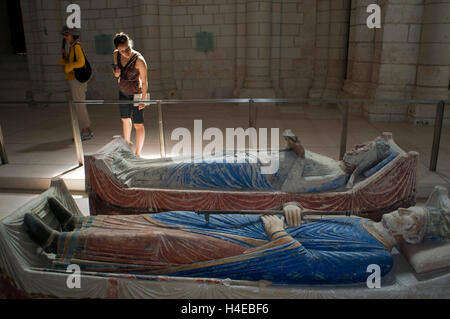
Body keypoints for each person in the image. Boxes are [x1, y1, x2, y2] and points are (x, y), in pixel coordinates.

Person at [22, 186, 450, 285]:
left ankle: (59, 244)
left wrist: (281, 232)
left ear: (414, 235)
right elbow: (307, 220)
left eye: (409, 215)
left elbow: (308, 267)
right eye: (405, 207)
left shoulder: (377, 259)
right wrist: (290, 209)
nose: (399, 210)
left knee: (167, 244)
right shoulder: (362, 224)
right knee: (177, 217)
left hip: (257, 253)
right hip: (255, 229)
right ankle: (85, 224)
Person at [97, 130, 394, 193]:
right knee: (193, 158)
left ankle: (128, 176)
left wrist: (300, 158)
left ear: (366, 161)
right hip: (255, 160)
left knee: (191, 171)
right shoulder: (334, 163)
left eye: (364, 149)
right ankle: (133, 164)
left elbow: (292, 189)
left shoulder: (338, 177)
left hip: (252, 176)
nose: (357, 146)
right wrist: (295, 146)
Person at [112, 33, 148, 157]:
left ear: (130, 44)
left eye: (128, 48)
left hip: (136, 93)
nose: (126, 52)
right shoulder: (116, 55)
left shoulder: (139, 60)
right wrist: (116, 74)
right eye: (122, 50)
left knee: (138, 123)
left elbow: (144, 81)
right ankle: (126, 148)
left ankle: (138, 153)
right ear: (117, 49)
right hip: (122, 91)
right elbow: (117, 74)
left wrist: (143, 99)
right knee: (125, 120)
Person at [59, 26, 93, 141]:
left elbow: (81, 62)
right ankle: (87, 130)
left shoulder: (76, 46)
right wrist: (65, 60)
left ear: (72, 35)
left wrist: (69, 66)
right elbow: (73, 61)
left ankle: (85, 131)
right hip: (74, 79)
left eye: (67, 35)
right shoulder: (72, 47)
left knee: (80, 106)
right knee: (80, 105)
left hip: (77, 81)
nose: (65, 37)